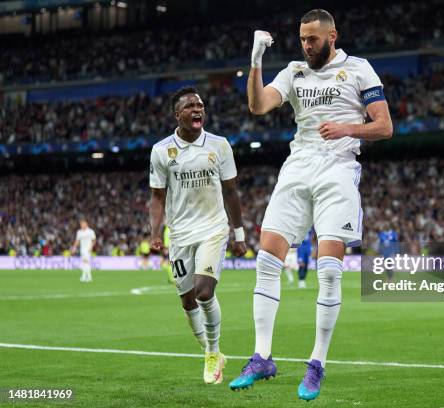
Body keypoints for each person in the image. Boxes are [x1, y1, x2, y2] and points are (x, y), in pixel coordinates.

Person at [229, 9, 393, 401]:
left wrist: (347, 127)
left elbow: (384, 126)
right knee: (267, 259)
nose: (306, 44)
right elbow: (258, 105)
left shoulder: (359, 69)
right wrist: (255, 61)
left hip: (338, 168)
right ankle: (262, 356)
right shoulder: (294, 72)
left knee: (329, 269)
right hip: (298, 166)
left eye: (313, 39)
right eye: (302, 38)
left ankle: (316, 363)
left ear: (332, 35)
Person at [149, 86, 246, 385]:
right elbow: (156, 196)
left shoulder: (219, 145)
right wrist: (155, 233)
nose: (198, 110)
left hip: (213, 230)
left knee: (204, 292)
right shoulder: (162, 150)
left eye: (200, 105)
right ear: (177, 114)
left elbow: (231, 191)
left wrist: (238, 233)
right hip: (179, 235)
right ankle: (210, 350)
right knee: (187, 301)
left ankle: (213, 352)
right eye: (190, 106)